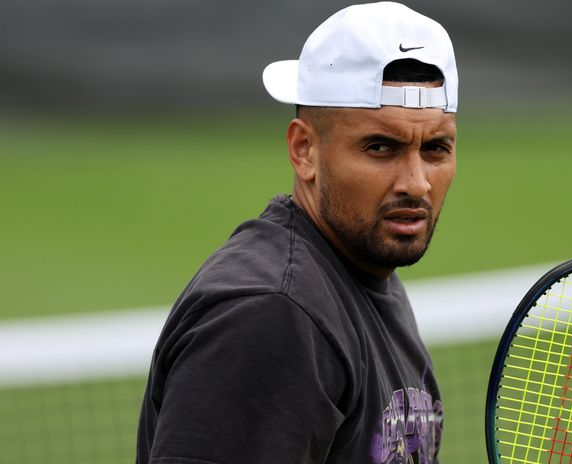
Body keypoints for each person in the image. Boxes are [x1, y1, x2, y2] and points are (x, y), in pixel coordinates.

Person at [136, 2, 458, 463]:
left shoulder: (364, 273)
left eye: (435, 148)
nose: (416, 182)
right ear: (304, 149)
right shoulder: (272, 315)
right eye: (380, 147)